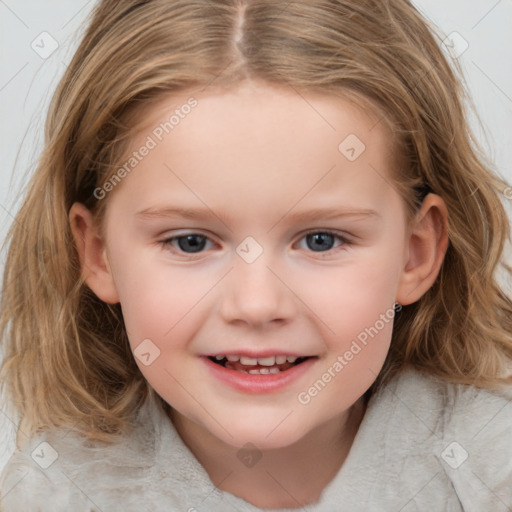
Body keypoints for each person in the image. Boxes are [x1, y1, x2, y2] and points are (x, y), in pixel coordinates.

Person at [1, 0, 511, 510]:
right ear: (99, 254)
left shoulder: (490, 471)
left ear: (415, 254)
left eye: (321, 240)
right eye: (190, 242)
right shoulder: (52, 495)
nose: (257, 304)